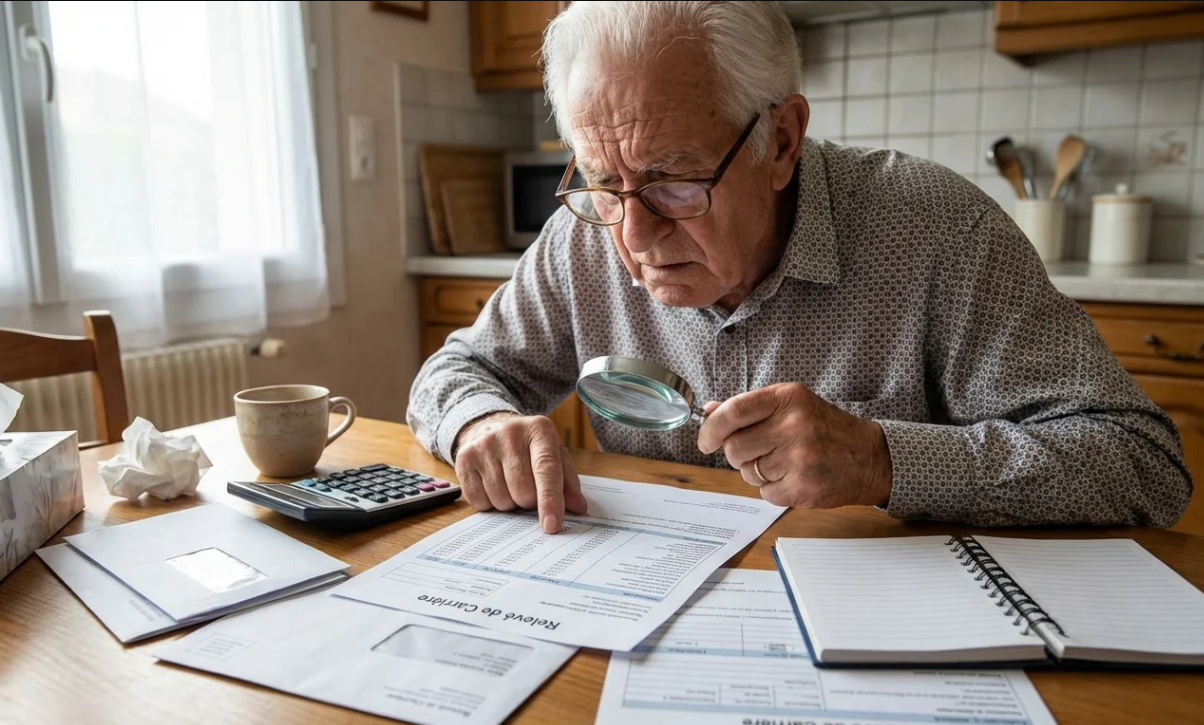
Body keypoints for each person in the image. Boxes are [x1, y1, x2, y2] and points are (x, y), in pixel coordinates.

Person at [407, 1, 1192, 535]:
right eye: (602, 180)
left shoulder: (938, 230)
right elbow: (458, 370)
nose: (635, 233)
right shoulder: (586, 235)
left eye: (674, 180)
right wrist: (482, 423)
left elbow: (1142, 463)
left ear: (781, 140)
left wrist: (883, 459)